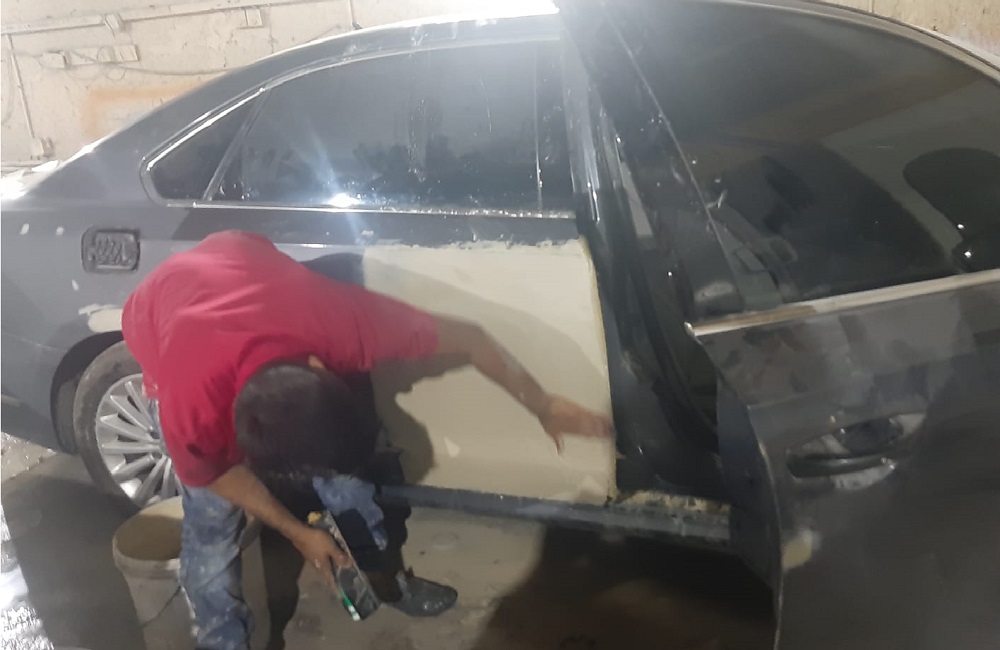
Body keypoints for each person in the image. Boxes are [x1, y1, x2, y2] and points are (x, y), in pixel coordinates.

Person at [121, 230, 611, 650]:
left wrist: (541, 404)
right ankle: (222, 639)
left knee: (349, 484)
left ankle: (384, 581)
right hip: (163, 316)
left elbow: (471, 338)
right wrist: (297, 531)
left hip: (245, 265)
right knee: (211, 526)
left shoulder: (345, 323)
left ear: (322, 366)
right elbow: (211, 473)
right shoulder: (191, 394)